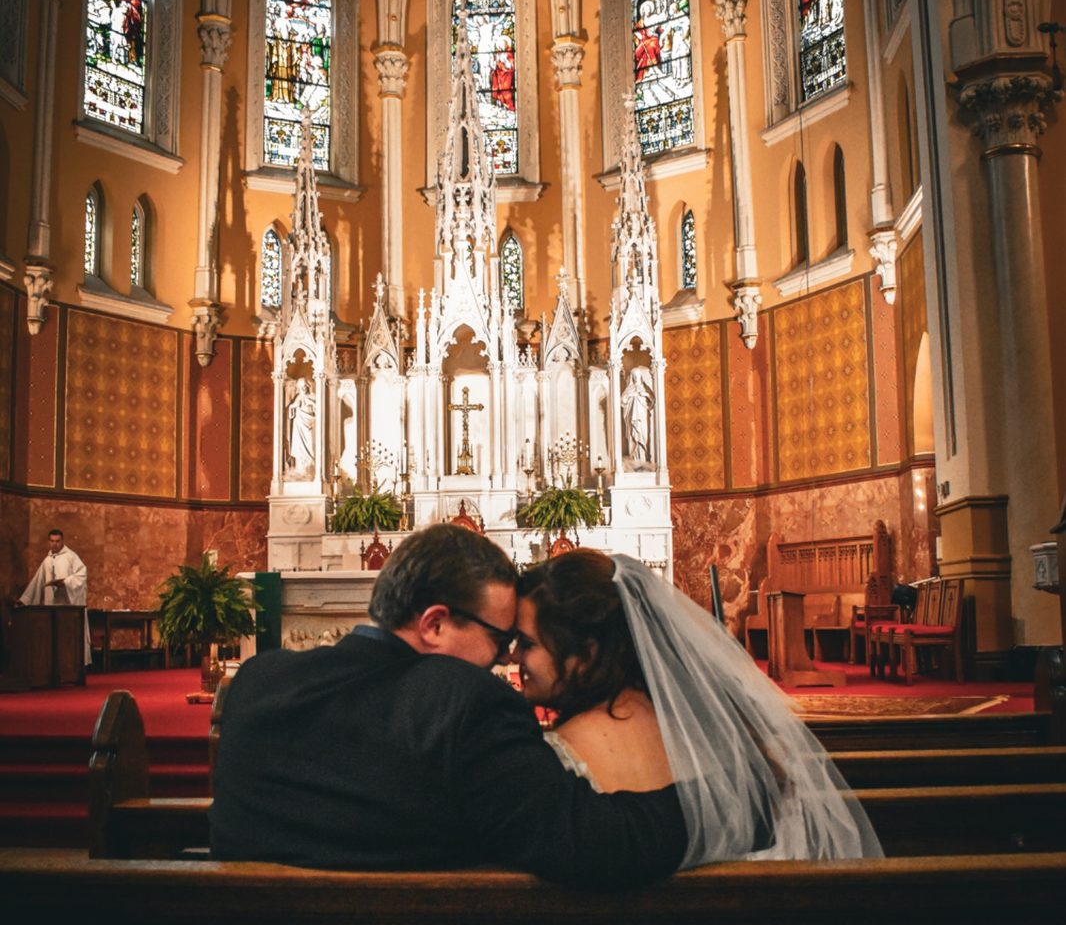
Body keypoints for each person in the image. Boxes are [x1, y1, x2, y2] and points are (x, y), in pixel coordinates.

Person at [209, 524, 689, 888]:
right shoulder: (468, 704)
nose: (507, 658)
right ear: (436, 624)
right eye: (501, 640)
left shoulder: (256, 682)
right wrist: (728, 798)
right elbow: (594, 843)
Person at [513, 550, 883, 867]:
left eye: (527, 643)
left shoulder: (554, 758)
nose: (514, 655)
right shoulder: (718, 728)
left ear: (587, 654)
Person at [18, 528, 91, 664]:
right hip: (51, 607)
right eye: (52, 541)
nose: (55, 544)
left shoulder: (71, 557)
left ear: (62, 541)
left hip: (68, 607)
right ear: (48, 542)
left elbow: (82, 575)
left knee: (68, 639)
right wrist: (25, 600)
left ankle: (71, 666)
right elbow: (37, 581)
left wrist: (66, 582)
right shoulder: (47, 560)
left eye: (57, 541)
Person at [621, 366, 653, 465]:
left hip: (642, 416)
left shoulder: (645, 388)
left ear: (640, 376)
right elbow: (623, 401)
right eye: (633, 375)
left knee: (642, 435)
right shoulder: (629, 389)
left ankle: (643, 458)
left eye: (637, 375)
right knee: (633, 435)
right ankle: (634, 460)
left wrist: (646, 395)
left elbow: (652, 401)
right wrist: (630, 395)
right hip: (632, 418)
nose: (635, 377)